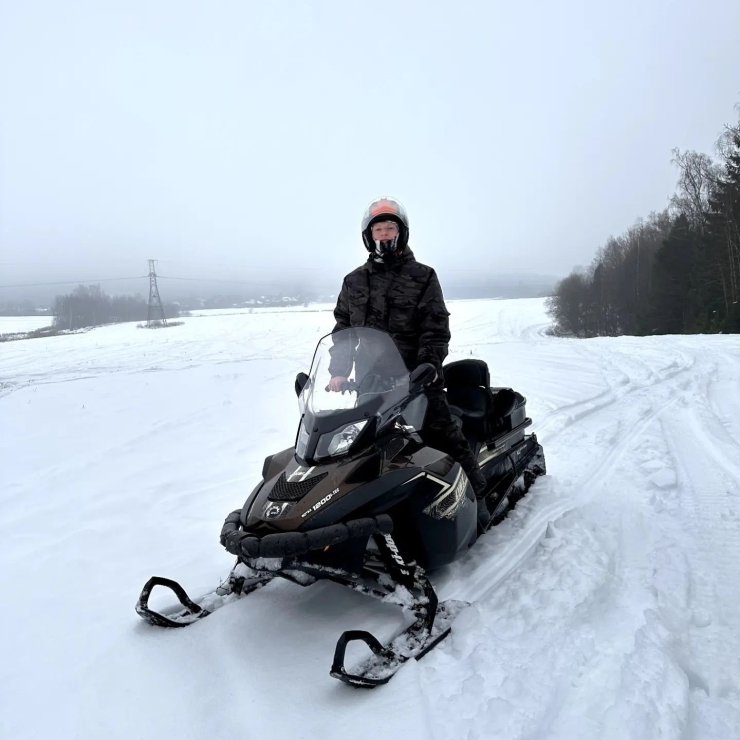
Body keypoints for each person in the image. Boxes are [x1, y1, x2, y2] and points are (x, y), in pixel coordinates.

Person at [328, 196, 487, 496]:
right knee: (361, 450)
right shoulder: (354, 281)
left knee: (444, 438)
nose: (385, 234)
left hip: (417, 380)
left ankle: (479, 498)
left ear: (401, 232)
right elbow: (343, 330)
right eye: (379, 230)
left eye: (390, 228)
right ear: (368, 236)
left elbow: (435, 326)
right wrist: (339, 371)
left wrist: (428, 366)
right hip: (369, 384)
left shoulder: (423, 276)